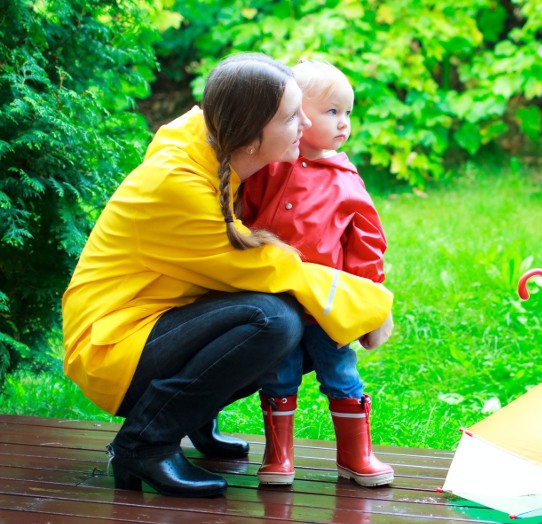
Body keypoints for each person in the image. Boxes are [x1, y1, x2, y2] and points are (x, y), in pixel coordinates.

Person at [61, 53, 394, 499]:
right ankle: (144, 442)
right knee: (273, 320)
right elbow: (268, 267)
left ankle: (193, 415)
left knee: (310, 324)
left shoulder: (223, 152)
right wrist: (372, 306)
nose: (305, 124)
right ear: (252, 136)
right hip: (113, 345)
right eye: (292, 116)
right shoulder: (176, 184)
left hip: (160, 321)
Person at [241, 59, 393, 487]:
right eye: (332, 112)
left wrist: (365, 295)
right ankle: (279, 456)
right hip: (279, 301)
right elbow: (243, 215)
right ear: (295, 114)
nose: (344, 123)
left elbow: (367, 238)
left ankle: (355, 455)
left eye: (348, 113)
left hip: (329, 304)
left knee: (341, 373)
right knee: (279, 374)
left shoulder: (345, 178)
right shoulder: (268, 168)